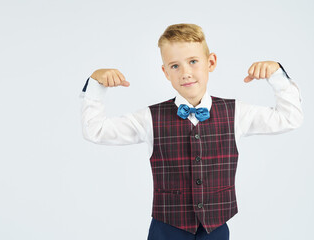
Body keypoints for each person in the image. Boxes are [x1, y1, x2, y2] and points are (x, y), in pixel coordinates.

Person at [79, 23, 303, 240]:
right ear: (165, 72)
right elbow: (95, 130)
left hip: (215, 229)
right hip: (166, 230)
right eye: (175, 66)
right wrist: (96, 85)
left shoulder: (236, 113)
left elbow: (289, 118)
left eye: (193, 61)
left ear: (211, 62)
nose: (185, 73)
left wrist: (277, 77)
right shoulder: (150, 118)